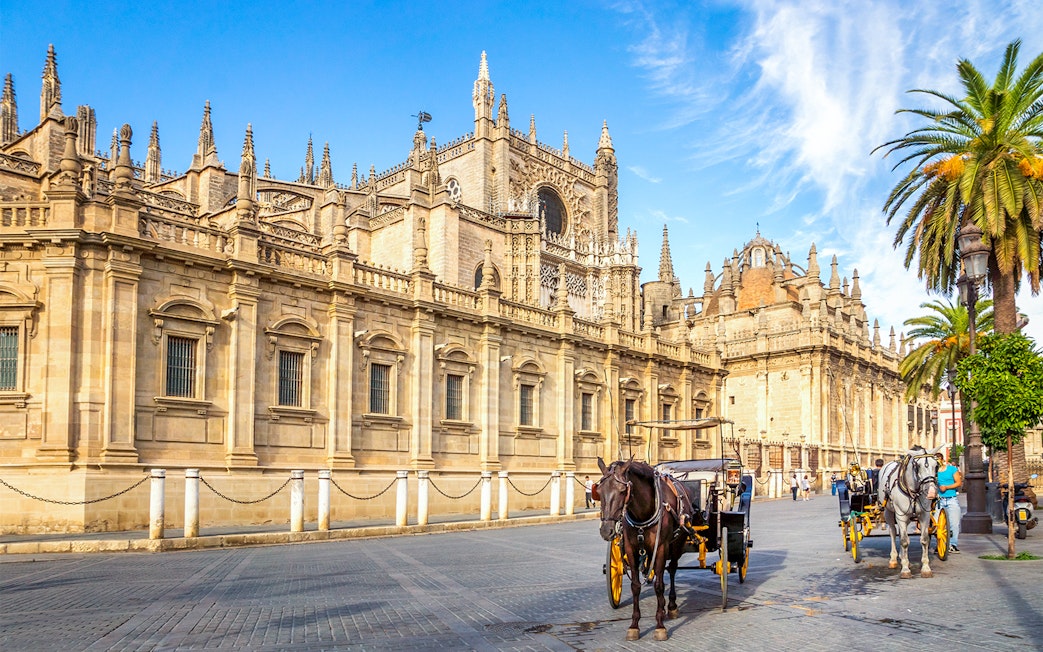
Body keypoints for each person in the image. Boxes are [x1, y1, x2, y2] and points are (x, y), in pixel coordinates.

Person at [936, 453, 963, 553]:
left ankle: (953, 544)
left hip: (951, 499)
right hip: (938, 499)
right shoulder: (933, 472)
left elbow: (958, 482)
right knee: (937, 524)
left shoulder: (952, 469)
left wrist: (946, 487)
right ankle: (940, 544)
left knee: (954, 523)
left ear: (942, 460)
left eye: (938, 460)